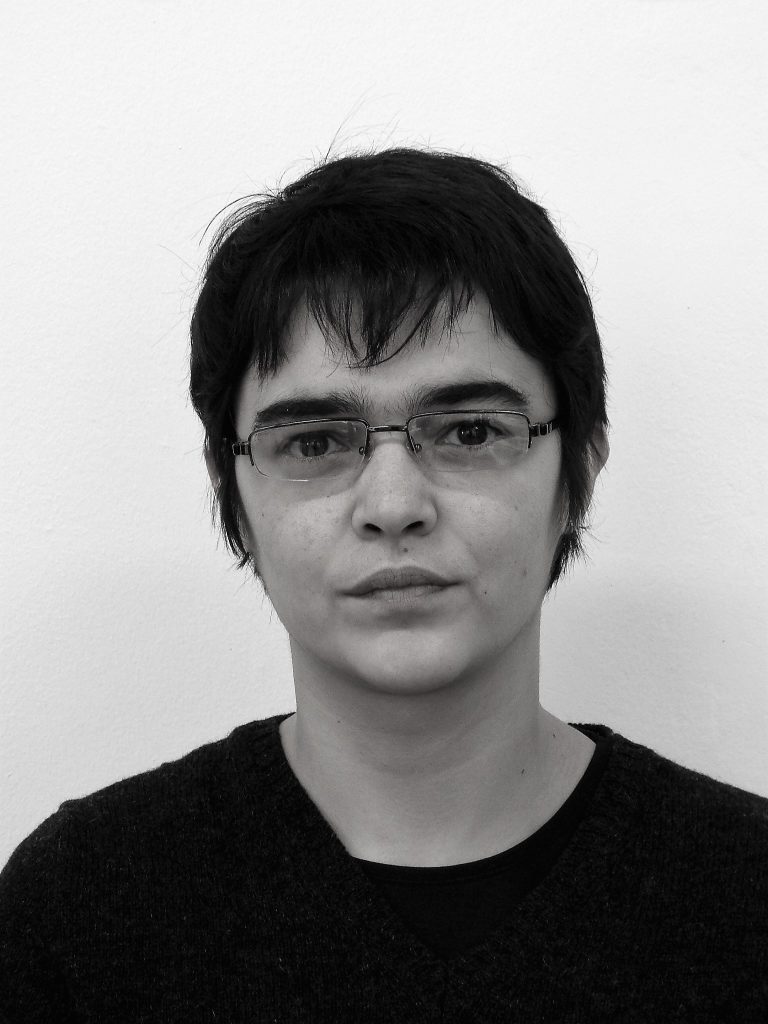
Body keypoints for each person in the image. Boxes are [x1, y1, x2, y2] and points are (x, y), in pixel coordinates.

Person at [1, 147, 766, 1022]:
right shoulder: (79, 913)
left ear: (579, 469)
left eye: (470, 432)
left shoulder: (746, 899)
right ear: (233, 497)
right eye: (316, 443)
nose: (394, 505)